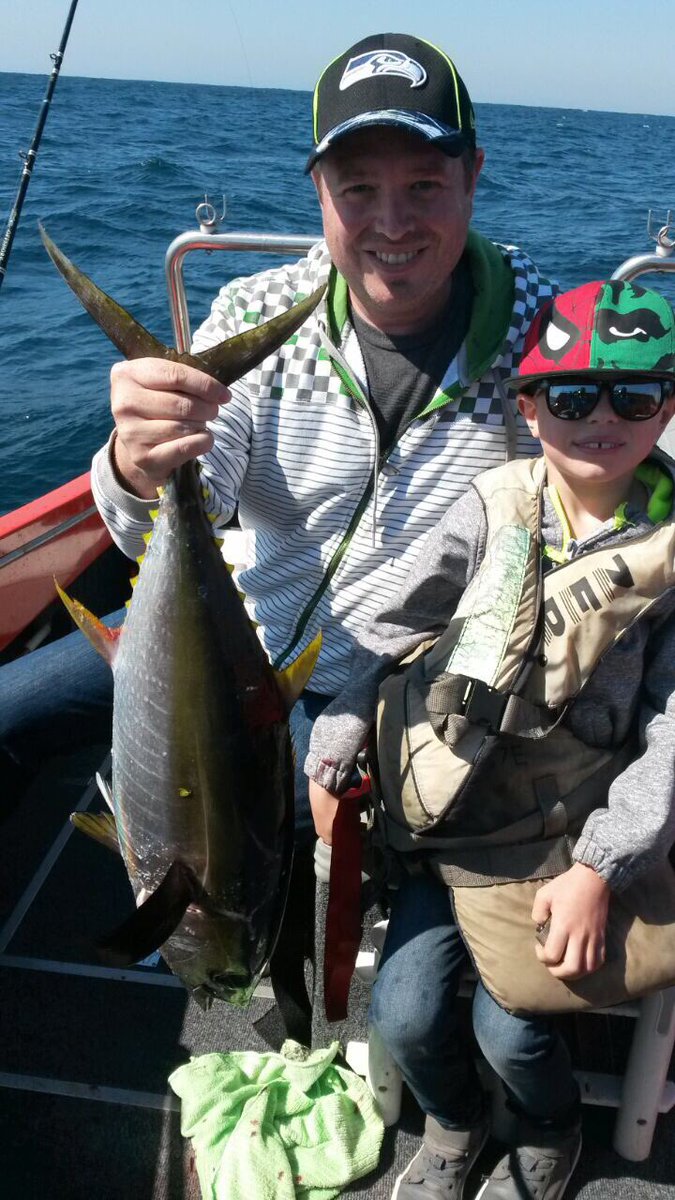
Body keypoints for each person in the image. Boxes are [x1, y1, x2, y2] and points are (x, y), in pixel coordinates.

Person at [0, 33, 554, 1039]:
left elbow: (590, 488)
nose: (393, 222)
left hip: (381, 678)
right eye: (359, 188)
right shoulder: (260, 311)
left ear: (475, 175)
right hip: (216, 631)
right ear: (318, 192)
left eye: (425, 183)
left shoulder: (537, 329)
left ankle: (290, 1002)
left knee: (287, 827)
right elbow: (159, 511)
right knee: (6, 713)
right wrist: (136, 460)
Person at [304, 277, 675, 1199]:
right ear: (526, 405)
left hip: (574, 833)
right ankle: (454, 1120)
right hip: (451, 820)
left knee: (514, 1029)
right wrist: (340, 733)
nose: (600, 416)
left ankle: (547, 1125)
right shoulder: (491, 504)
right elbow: (392, 624)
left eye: (631, 396)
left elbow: (671, 730)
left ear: (665, 406)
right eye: (569, 393)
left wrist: (602, 866)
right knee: (404, 1013)